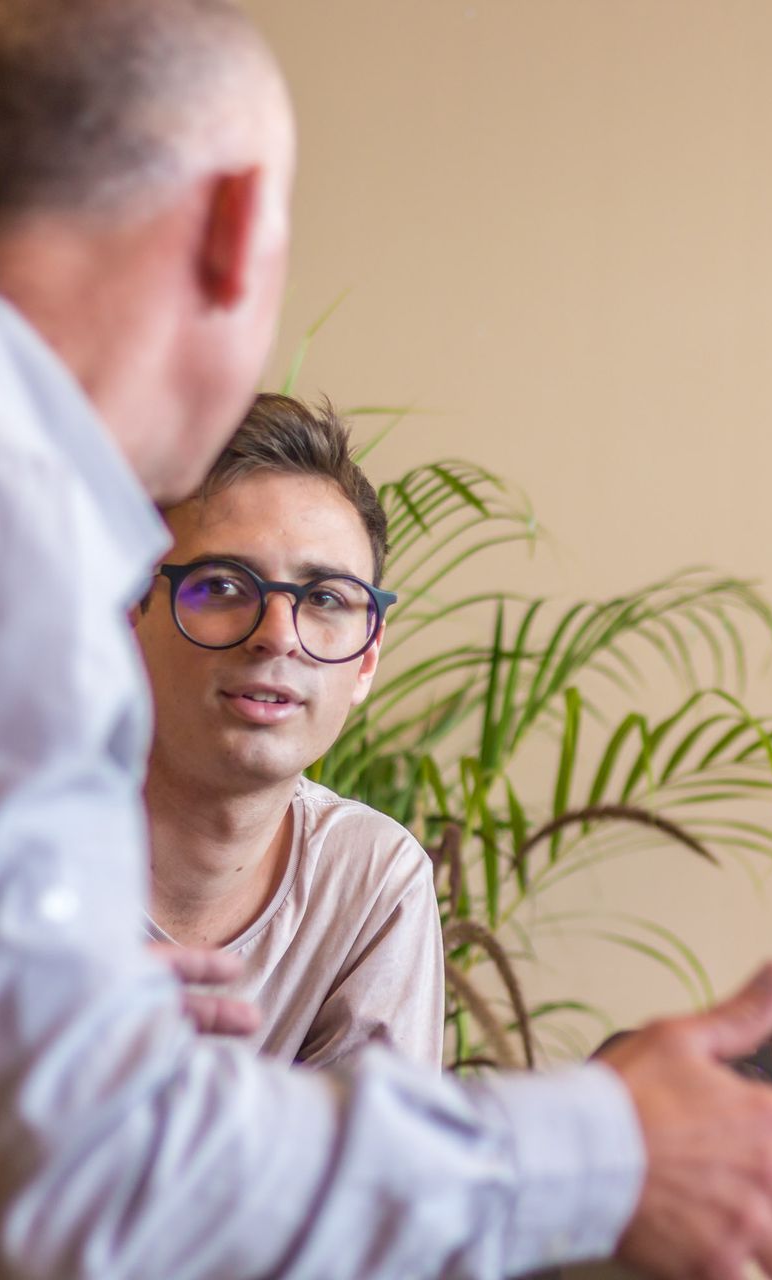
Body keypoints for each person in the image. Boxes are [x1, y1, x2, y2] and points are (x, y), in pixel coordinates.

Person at [0, 3, 772, 1278]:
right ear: (238, 228)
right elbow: (94, 1191)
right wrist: (608, 1148)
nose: (276, 635)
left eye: (329, 601)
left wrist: (59, 1027)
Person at [134, 392, 444, 1070]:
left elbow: (372, 1167)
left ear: (367, 658)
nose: (277, 637)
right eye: (220, 586)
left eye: (326, 599)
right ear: (129, 613)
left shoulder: (371, 880)